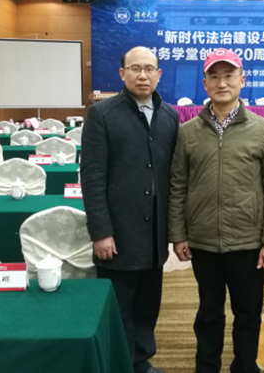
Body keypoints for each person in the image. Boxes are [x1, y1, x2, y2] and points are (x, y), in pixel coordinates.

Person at [168, 48, 264, 373]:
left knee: (248, 314)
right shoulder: (187, 132)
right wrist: (178, 234)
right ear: (205, 83)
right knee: (209, 313)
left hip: (248, 242)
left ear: (242, 80)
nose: (222, 83)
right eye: (215, 76)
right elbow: (178, 186)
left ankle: (245, 367)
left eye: (229, 76)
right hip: (203, 241)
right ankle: (206, 367)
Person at [80, 46, 179, 373]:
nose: (143, 75)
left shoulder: (169, 116)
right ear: (122, 74)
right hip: (118, 234)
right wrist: (101, 232)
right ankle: (121, 365)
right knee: (119, 308)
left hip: (153, 236)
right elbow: (92, 177)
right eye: (135, 68)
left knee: (147, 306)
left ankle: (140, 362)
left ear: (159, 74)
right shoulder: (102, 114)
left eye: (149, 69)